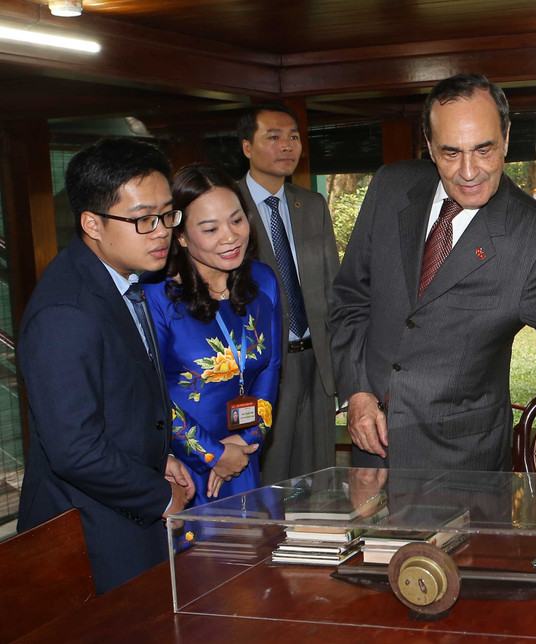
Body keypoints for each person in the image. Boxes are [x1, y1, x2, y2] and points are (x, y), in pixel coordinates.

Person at [330, 73, 536, 483]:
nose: (469, 171)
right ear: (428, 145)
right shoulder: (391, 187)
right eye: (451, 153)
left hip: (461, 466)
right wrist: (358, 393)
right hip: (372, 452)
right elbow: (349, 300)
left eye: (484, 150)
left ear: (505, 137)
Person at [16, 137, 195, 594]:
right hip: (90, 531)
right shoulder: (67, 311)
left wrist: (159, 458)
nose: (161, 231)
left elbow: (123, 400)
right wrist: (158, 495)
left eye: (167, 214)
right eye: (142, 220)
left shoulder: (119, 277)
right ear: (92, 223)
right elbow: (75, 449)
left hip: (122, 506)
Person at [145, 164, 282, 535]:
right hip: (187, 467)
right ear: (182, 237)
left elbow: (270, 368)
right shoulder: (157, 298)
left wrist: (246, 442)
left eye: (237, 220)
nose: (230, 237)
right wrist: (213, 454)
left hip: (243, 456)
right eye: (210, 229)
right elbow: (150, 394)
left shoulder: (263, 281)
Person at [236, 102, 340, 484]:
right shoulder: (228, 207)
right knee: (268, 476)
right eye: (274, 137)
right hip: (262, 368)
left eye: (293, 137)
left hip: (316, 363)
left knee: (319, 480)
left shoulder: (311, 205)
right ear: (247, 147)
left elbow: (333, 289)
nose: (287, 146)